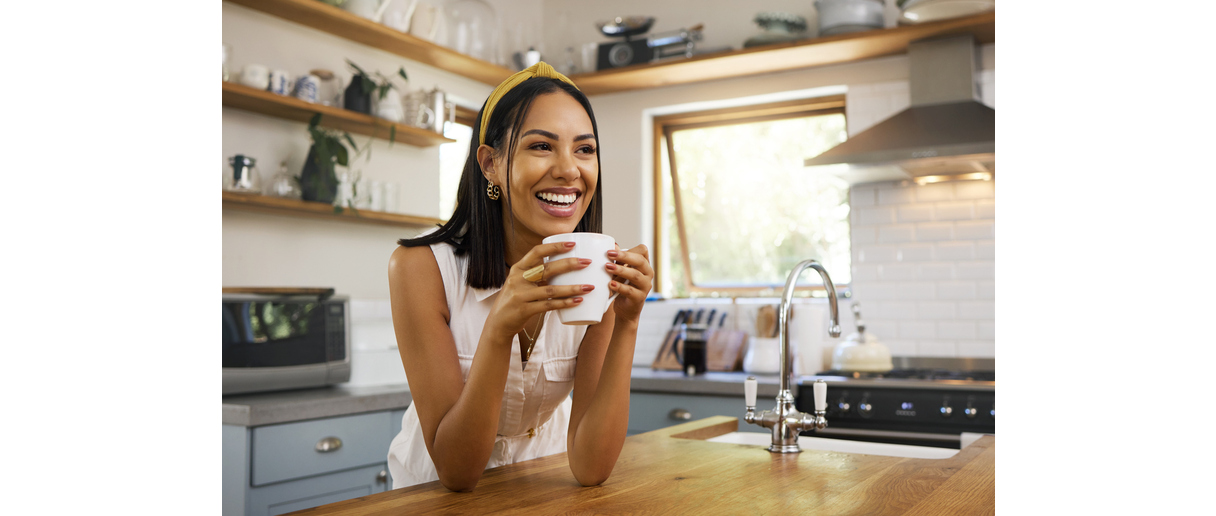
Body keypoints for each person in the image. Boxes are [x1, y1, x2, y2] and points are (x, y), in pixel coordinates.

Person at [385, 62, 654, 492]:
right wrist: (499, 330)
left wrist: (626, 321)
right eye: (542, 146)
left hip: (538, 489)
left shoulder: (596, 274)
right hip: (430, 497)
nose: (570, 170)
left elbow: (590, 467)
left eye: (584, 150)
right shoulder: (420, 268)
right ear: (490, 164)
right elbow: (457, 471)